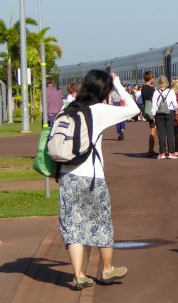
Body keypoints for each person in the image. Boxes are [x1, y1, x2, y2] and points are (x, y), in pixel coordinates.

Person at [57, 70, 139, 290]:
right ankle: (107, 269)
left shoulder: (69, 109)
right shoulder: (100, 110)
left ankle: (79, 275)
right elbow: (134, 108)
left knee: (73, 226)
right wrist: (119, 84)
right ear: (104, 91)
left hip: (67, 175)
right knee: (102, 223)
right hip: (93, 177)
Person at [151, 75, 178, 159]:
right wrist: (176, 109)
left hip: (159, 113)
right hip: (169, 112)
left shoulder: (156, 92)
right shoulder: (171, 91)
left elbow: (154, 104)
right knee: (170, 132)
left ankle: (162, 153)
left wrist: (153, 114)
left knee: (161, 133)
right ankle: (171, 153)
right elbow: (174, 103)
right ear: (166, 83)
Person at [141, 71, 158, 157]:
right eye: (153, 77)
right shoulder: (151, 89)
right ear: (151, 78)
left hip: (147, 110)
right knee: (153, 130)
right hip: (152, 112)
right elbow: (154, 101)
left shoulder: (143, 88)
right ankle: (150, 150)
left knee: (153, 129)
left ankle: (151, 149)